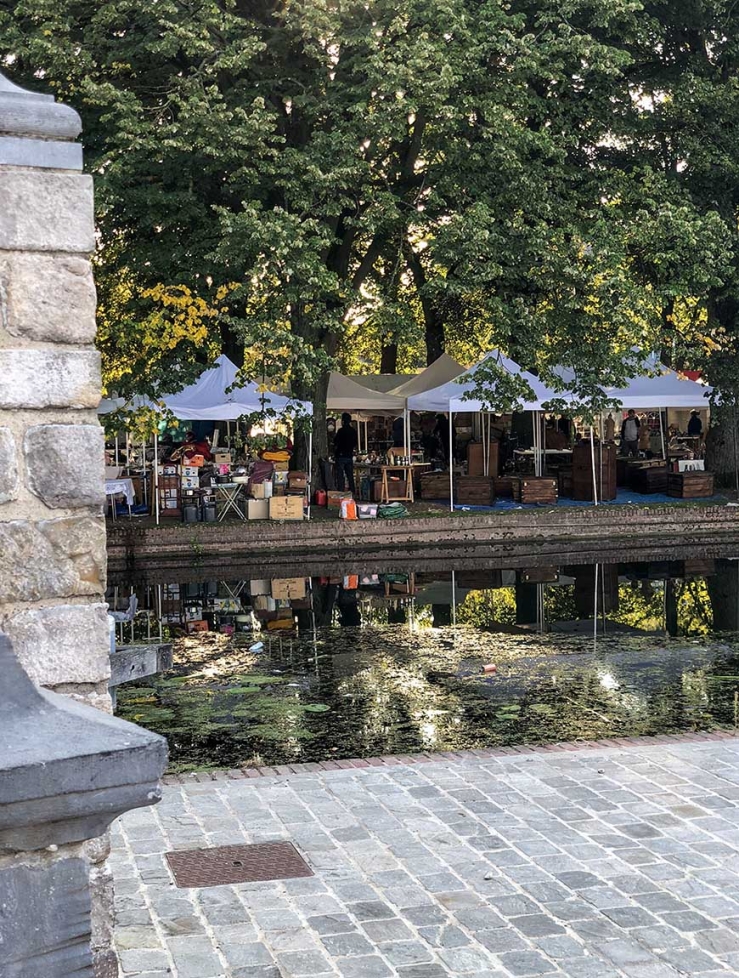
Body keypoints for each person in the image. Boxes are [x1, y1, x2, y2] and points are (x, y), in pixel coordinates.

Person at [334, 412, 358, 494]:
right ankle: (352, 491)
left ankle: (341, 491)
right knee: (350, 475)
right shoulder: (353, 431)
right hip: (349, 455)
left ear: (343, 421)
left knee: (340, 476)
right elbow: (355, 443)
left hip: (340, 455)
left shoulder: (341, 431)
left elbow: (336, 442)